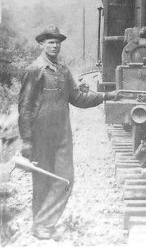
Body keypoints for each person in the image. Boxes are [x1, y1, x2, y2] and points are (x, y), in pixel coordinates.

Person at [18, 25, 115, 240]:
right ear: (41, 44)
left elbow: (78, 98)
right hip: (40, 135)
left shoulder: (62, 70)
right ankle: (42, 226)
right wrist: (26, 140)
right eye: (50, 42)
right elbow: (25, 107)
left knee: (65, 180)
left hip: (62, 134)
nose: (55, 45)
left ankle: (44, 222)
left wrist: (106, 96)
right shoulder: (35, 69)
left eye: (58, 42)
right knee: (42, 181)